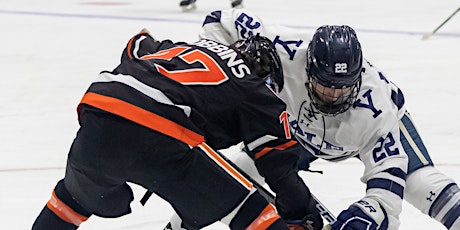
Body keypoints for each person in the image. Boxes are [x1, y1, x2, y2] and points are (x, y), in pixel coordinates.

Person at [194, 8, 460, 229]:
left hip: (354, 136)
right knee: (236, 172)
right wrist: (232, 75)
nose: (334, 95)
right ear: (309, 69)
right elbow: (219, 20)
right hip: (295, 125)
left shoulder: (376, 109)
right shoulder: (286, 49)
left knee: (418, 184)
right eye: (326, 85)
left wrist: (368, 215)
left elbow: (387, 189)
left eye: (343, 87)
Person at [31, 29, 308, 230]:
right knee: (252, 214)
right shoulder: (254, 89)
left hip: (100, 107)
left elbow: (137, 44)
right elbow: (279, 165)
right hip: (159, 129)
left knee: (71, 201)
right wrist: (299, 214)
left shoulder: (182, 49)